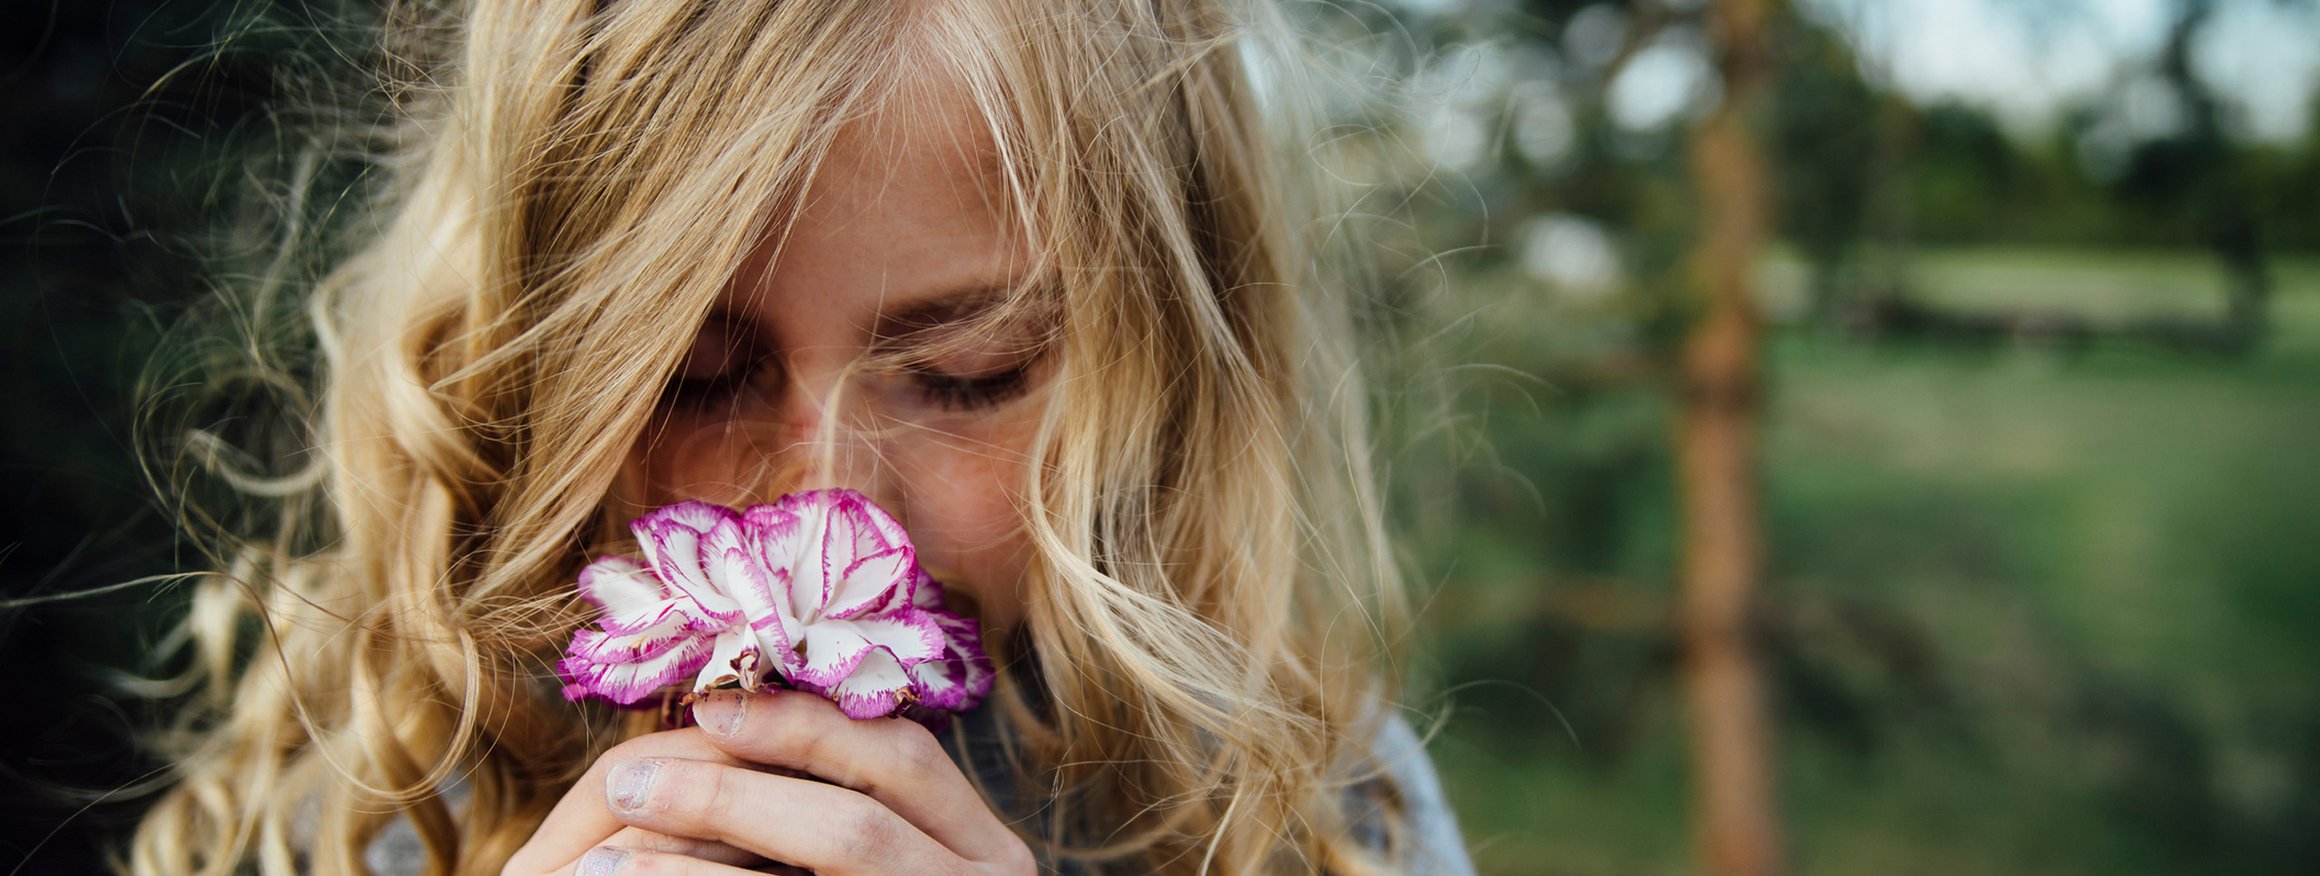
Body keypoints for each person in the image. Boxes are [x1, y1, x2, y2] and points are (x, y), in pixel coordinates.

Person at [127, 0, 1474, 873]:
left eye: (966, 375)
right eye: (697, 378)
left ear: (1167, 369)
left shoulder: (1317, 813)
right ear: (535, 366)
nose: (829, 516)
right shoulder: (378, 807)